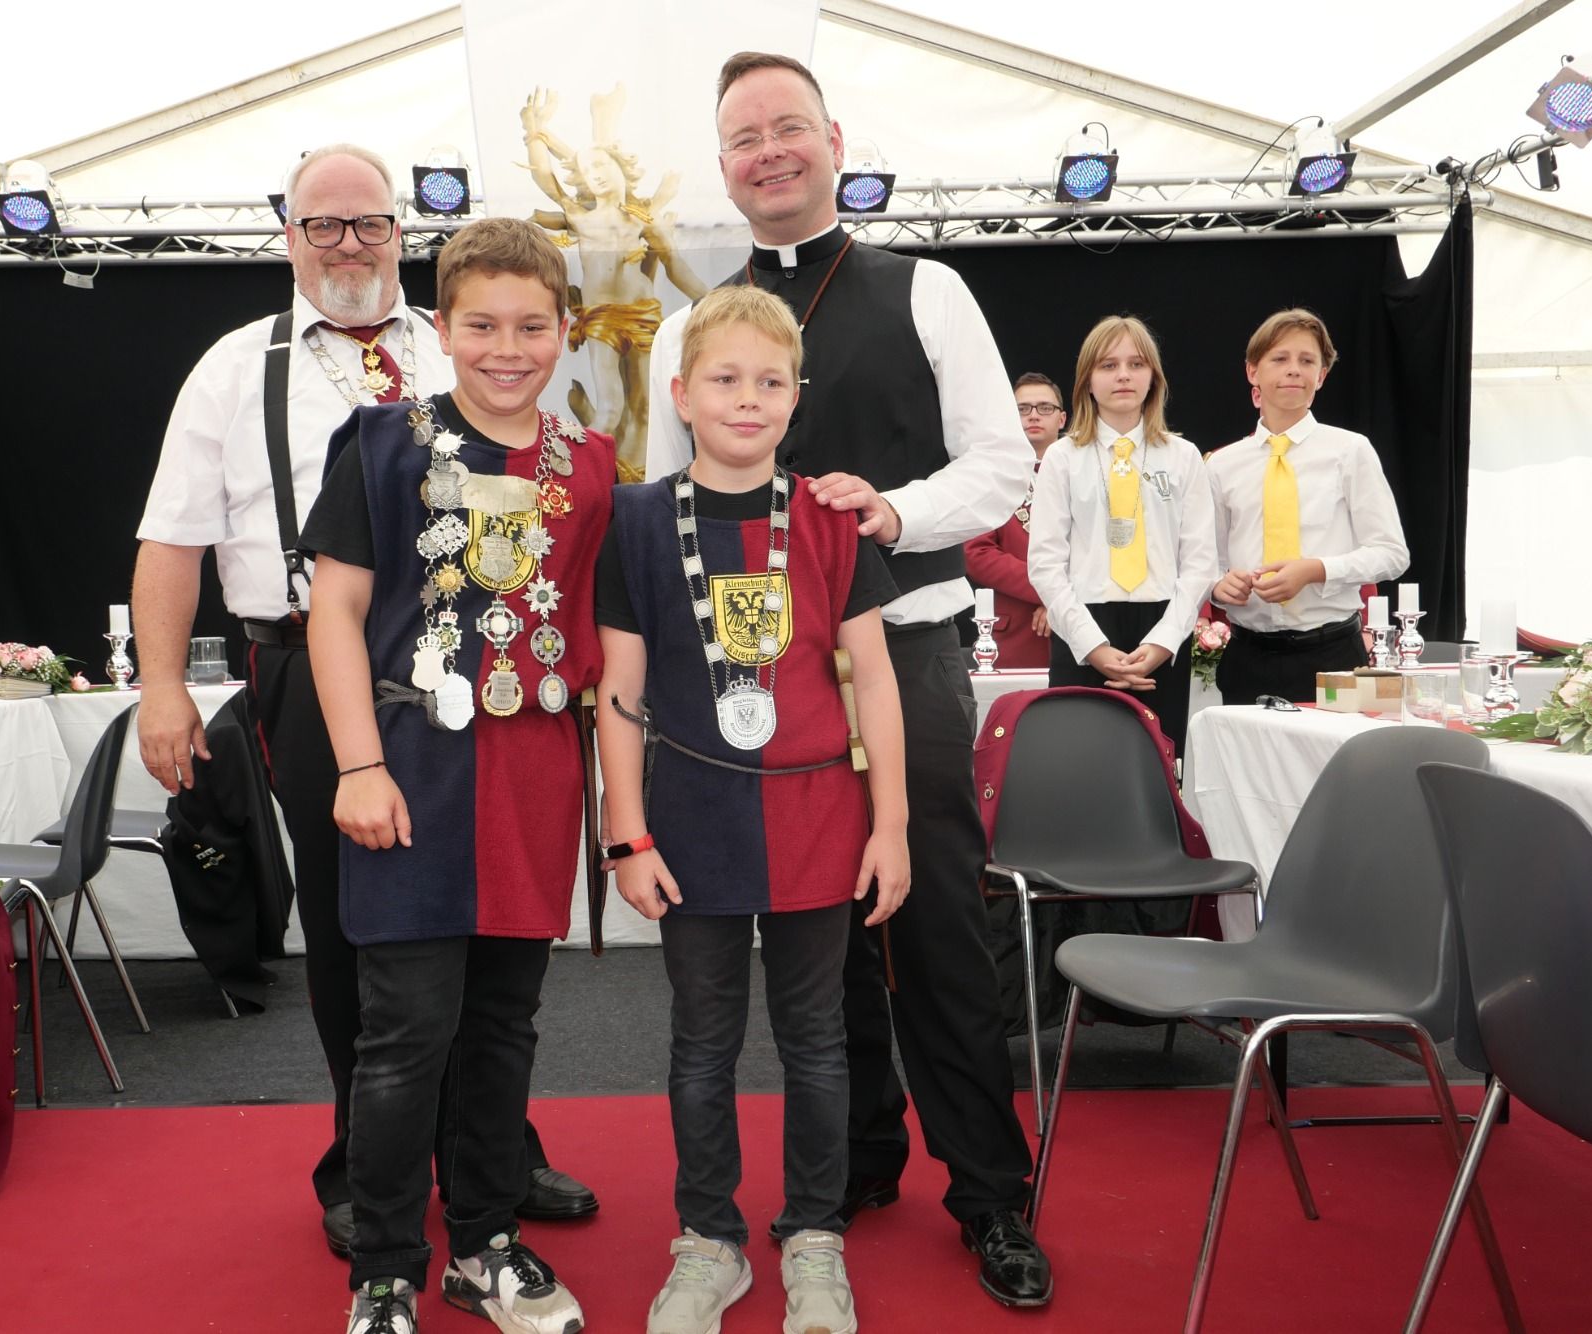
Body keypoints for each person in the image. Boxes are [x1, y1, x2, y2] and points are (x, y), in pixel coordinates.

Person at [131, 145, 593, 1266]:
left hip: (482, 670)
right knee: (360, 927)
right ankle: (361, 1160)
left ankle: (490, 1154)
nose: (349, 243)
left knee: (489, 926)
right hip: (314, 666)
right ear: (287, 234)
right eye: (323, 224)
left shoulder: (467, 338)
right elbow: (171, 537)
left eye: (370, 222)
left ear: (402, 231)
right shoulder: (232, 366)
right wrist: (161, 687)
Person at [647, 51, 1052, 1311]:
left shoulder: (926, 289)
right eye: (742, 137)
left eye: (786, 127)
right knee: (814, 931)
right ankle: (860, 1153)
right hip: (752, 679)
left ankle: (989, 1190)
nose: (766, 151)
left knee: (931, 925)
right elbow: (664, 503)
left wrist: (891, 509)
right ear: (722, 168)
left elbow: (1001, 464)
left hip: (906, 649)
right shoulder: (686, 327)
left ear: (833, 140)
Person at [299, 216, 613, 1334]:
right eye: (481, 325)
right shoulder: (382, 442)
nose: (506, 348)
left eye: (531, 326)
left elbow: (610, 636)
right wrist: (357, 764)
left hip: (532, 775)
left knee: (502, 1028)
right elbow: (334, 610)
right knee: (403, 1036)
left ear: (566, 330)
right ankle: (384, 1269)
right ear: (441, 328)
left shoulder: (593, 466)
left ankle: (483, 1244)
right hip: (410, 770)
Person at [596, 285, 907, 1334]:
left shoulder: (826, 518)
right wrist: (626, 832)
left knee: (818, 1040)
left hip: (820, 816)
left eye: (769, 381)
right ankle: (708, 1240)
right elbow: (620, 690)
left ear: (795, 397)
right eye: (724, 378)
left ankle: (814, 1235)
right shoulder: (637, 519)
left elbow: (873, 678)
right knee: (701, 1042)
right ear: (681, 394)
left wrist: (892, 824)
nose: (747, 398)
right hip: (691, 823)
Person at [1026, 315, 1215, 756]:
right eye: (1108, 365)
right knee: (1079, 768)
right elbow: (1045, 564)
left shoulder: (1183, 456)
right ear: (1088, 382)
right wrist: (1093, 647)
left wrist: (1164, 642)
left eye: (1136, 364)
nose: (1124, 375)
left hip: (1162, 631)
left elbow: (1201, 562)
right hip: (1083, 629)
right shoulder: (1062, 457)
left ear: (1154, 377)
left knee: (1160, 770)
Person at [1208, 308, 1408, 705]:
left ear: (1322, 375)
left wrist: (1317, 570)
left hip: (1332, 652)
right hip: (1249, 654)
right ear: (1252, 372)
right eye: (1280, 359)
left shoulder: (1350, 451)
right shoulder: (1221, 464)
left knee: (1337, 748)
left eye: (1306, 361)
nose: (1293, 370)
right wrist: (1217, 585)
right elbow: (1207, 560)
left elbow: (1392, 553)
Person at [522, 84, 708, 481]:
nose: (597, 176)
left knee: (647, 406)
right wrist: (533, 131)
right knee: (611, 406)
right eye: (589, 172)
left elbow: (676, 268)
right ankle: (579, 481)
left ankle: (645, 480)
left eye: (603, 167)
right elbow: (544, 177)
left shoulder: (644, 218)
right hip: (602, 320)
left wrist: (717, 302)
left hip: (644, 316)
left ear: (622, 169)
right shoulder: (580, 216)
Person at [964, 372, 1068, 668]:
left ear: (1062, 419)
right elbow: (976, 553)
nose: (1034, 415)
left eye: (1045, 408)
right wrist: (1050, 591)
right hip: (1017, 635)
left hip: (1084, 625)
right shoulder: (990, 476)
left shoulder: (1088, 473)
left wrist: (1064, 601)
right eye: (1022, 409)